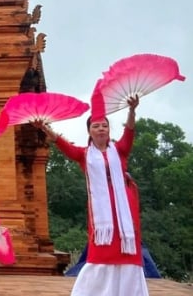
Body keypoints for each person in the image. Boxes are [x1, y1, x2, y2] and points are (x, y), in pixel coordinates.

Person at [35, 94, 148, 296]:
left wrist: (132, 110)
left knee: (127, 252)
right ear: (89, 131)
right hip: (101, 216)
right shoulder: (84, 155)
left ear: (109, 129)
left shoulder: (120, 150)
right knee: (102, 254)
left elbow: (129, 131)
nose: (101, 129)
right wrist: (45, 128)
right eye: (96, 126)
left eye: (104, 125)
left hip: (124, 211)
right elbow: (61, 143)